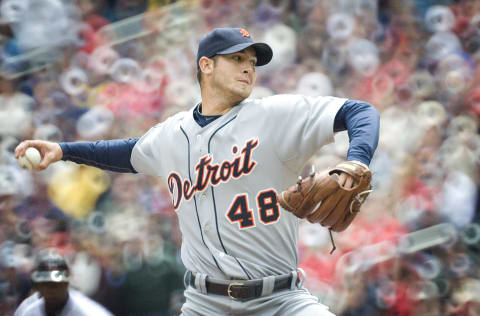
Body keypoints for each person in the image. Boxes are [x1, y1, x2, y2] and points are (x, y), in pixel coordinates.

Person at [15, 27, 380, 315]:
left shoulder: (276, 115)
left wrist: (358, 158)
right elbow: (127, 153)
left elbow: (360, 112)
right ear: (206, 65)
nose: (248, 67)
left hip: (281, 301)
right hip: (205, 304)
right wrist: (63, 149)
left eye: (252, 61)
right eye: (237, 59)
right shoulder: (172, 135)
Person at [14, 249, 113, 316]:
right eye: (45, 284)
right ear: (38, 286)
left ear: (67, 283)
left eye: (56, 285)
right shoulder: (28, 311)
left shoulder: (88, 311)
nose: (50, 291)